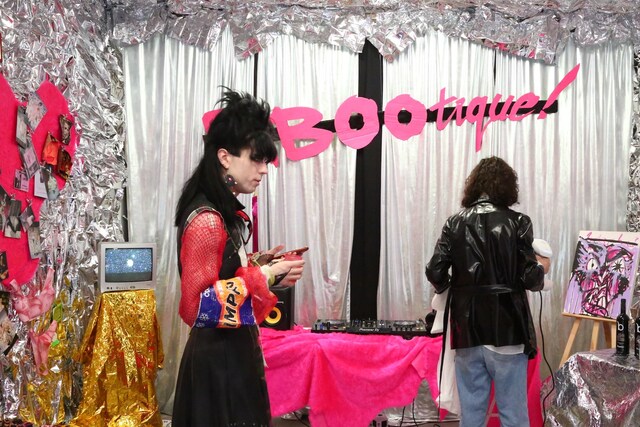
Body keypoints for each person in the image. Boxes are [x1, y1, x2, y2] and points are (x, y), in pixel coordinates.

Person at [172, 89, 305, 427]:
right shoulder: (206, 221)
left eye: (265, 161)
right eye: (256, 159)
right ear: (225, 157)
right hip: (219, 367)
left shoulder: (219, 210)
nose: (263, 170)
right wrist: (267, 276)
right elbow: (197, 308)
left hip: (231, 355)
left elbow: (222, 272)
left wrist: (262, 264)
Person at [425, 156, 550, 427]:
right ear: (508, 187)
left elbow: (434, 271)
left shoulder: (454, 223)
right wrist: (543, 267)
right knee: (513, 416)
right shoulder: (518, 222)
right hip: (508, 330)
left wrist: (457, 290)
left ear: (474, 185)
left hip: (467, 330)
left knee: (471, 416)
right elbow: (530, 279)